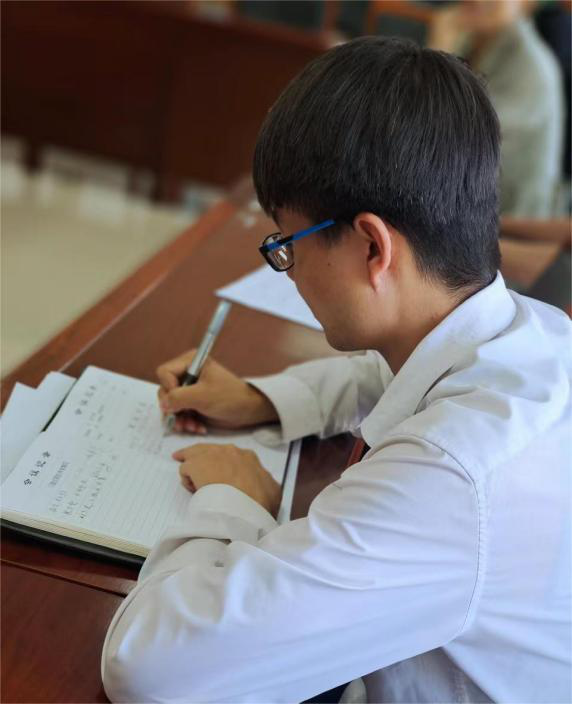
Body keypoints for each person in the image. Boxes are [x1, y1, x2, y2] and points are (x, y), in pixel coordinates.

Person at [101, 37, 571, 703]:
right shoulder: (531, 334)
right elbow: (393, 377)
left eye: (286, 245)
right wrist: (262, 399)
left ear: (373, 246)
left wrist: (234, 499)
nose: (289, 270)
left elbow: (148, 668)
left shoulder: (448, 479)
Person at [428, 0, 564, 217]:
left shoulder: (530, 67)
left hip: (509, 222)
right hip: (463, 206)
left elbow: (442, 142)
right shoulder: (472, 42)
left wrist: (437, 57)